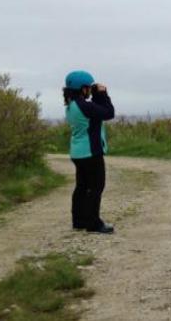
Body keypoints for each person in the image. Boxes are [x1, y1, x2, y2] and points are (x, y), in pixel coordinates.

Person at [63, 70, 115, 234]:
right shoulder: (85, 106)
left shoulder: (71, 105)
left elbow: (97, 111)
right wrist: (103, 94)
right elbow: (108, 113)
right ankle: (94, 223)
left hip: (78, 153)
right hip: (91, 152)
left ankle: (79, 220)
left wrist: (96, 96)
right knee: (96, 187)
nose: (90, 90)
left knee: (82, 186)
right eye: (88, 87)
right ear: (83, 88)